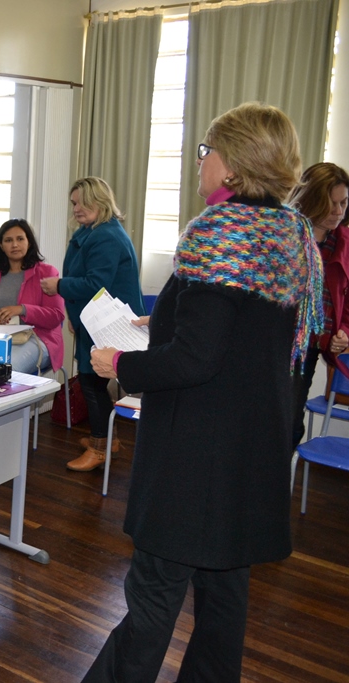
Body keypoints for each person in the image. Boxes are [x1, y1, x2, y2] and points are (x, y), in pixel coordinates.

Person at [82, 103, 322, 683]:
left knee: (151, 605)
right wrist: (159, 323)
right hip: (250, 453)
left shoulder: (221, 235)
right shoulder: (292, 235)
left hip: (195, 462)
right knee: (222, 606)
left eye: (206, 149)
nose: (200, 161)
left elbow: (197, 357)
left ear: (233, 164)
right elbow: (243, 340)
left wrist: (122, 363)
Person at [40, 177, 144, 471]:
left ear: (97, 202)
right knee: (93, 381)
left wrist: (59, 286)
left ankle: (100, 447)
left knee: (92, 381)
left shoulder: (105, 236)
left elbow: (96, 283)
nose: (74, 209)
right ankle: (107, 440)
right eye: (73, 203)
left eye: (78, 203)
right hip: (95, 319)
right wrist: (74, 316)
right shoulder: (94, 231)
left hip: (109, 322)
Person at [290, 162, 349, 446]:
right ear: (312, 199)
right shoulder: (287, 235)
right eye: (331, 204)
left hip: (310, 348)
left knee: (289, 425)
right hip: (272, 345)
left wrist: (343, 333)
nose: (339, 212)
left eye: (344, 202)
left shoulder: (345, 243)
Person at [0, 219, 64, 374]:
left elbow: (56, 316)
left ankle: (9, 398)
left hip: (35, 337)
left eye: (20, 239)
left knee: (6, 369)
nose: (14, 245)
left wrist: (22, 310)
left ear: (29, 242)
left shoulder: (47, 273)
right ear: (1, 245)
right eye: (8, 240)